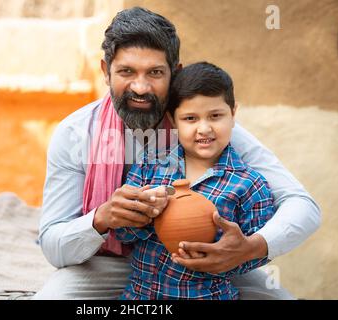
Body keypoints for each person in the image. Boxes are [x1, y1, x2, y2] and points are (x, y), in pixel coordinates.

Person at [33, 7, 320, 300]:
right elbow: (54, 246)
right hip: (108, 264)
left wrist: (251, 247)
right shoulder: (76, 133)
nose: (140, 87)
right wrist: (101, 218)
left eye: (155, 72)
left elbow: (302, 205)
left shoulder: (202, 128)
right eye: (126, 71)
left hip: (206, 268)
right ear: (106, 71)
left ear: (175, 73)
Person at [115, 61, 275, 300]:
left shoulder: (250, 185)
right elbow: (122, 235)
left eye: (215, 116)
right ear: (173, 120)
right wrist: (144, 215)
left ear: (233, 114)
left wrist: (228, 255)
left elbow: (259, 253)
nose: (204, 129)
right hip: (139, 298)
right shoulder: (150, 166)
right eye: (190, 118)